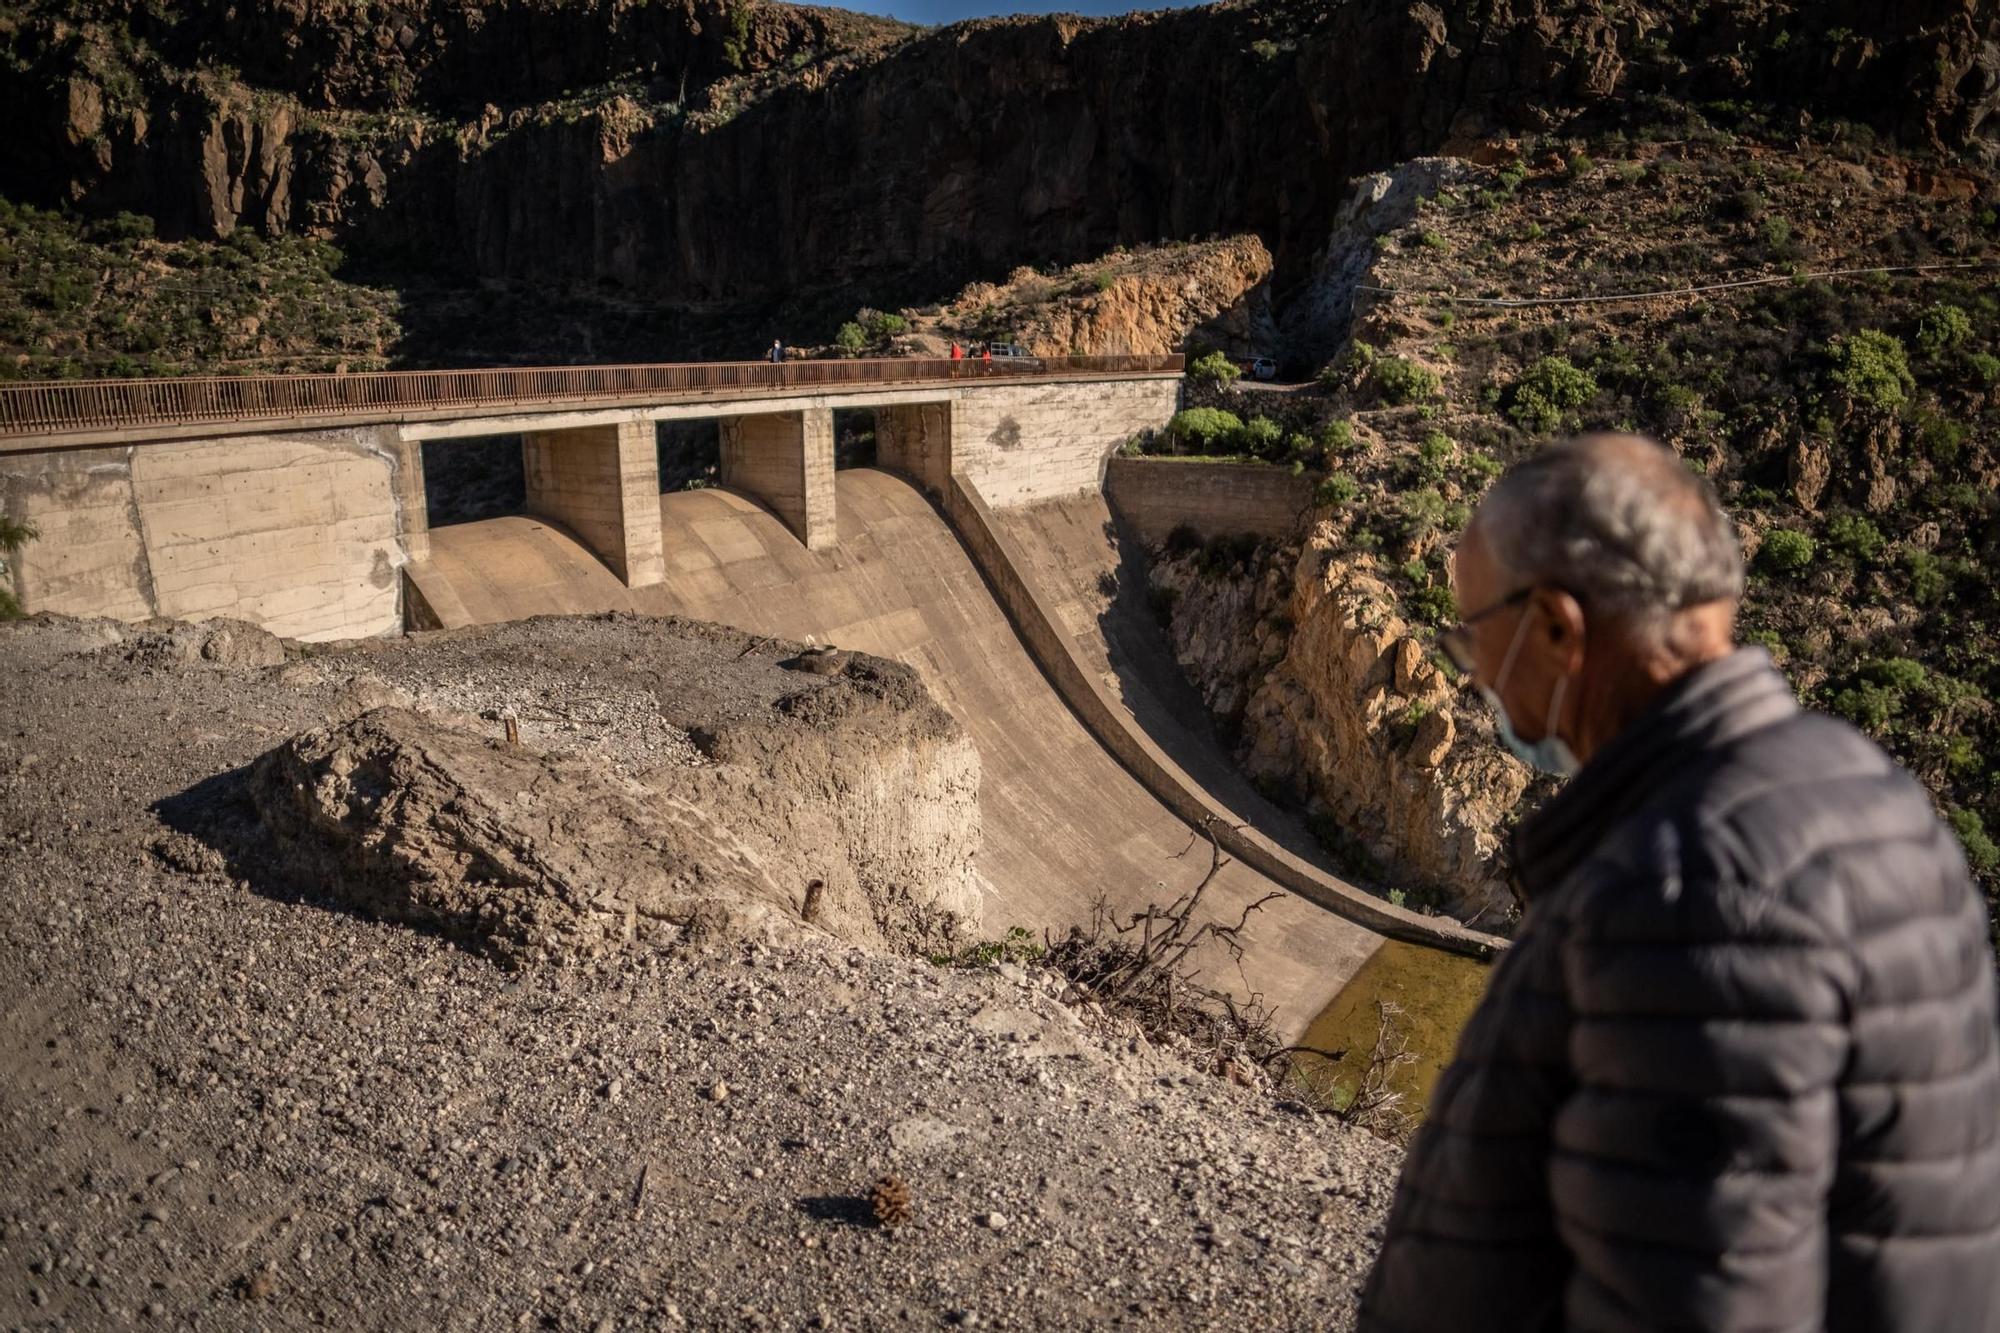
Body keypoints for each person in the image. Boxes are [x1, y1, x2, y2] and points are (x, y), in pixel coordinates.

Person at [1360, 433, 2000, 1332]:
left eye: (1474, 637)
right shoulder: (1869, 789)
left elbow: (1700, 1297)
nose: (1475, 678)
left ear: (1556, 627)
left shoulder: (1690, 892)